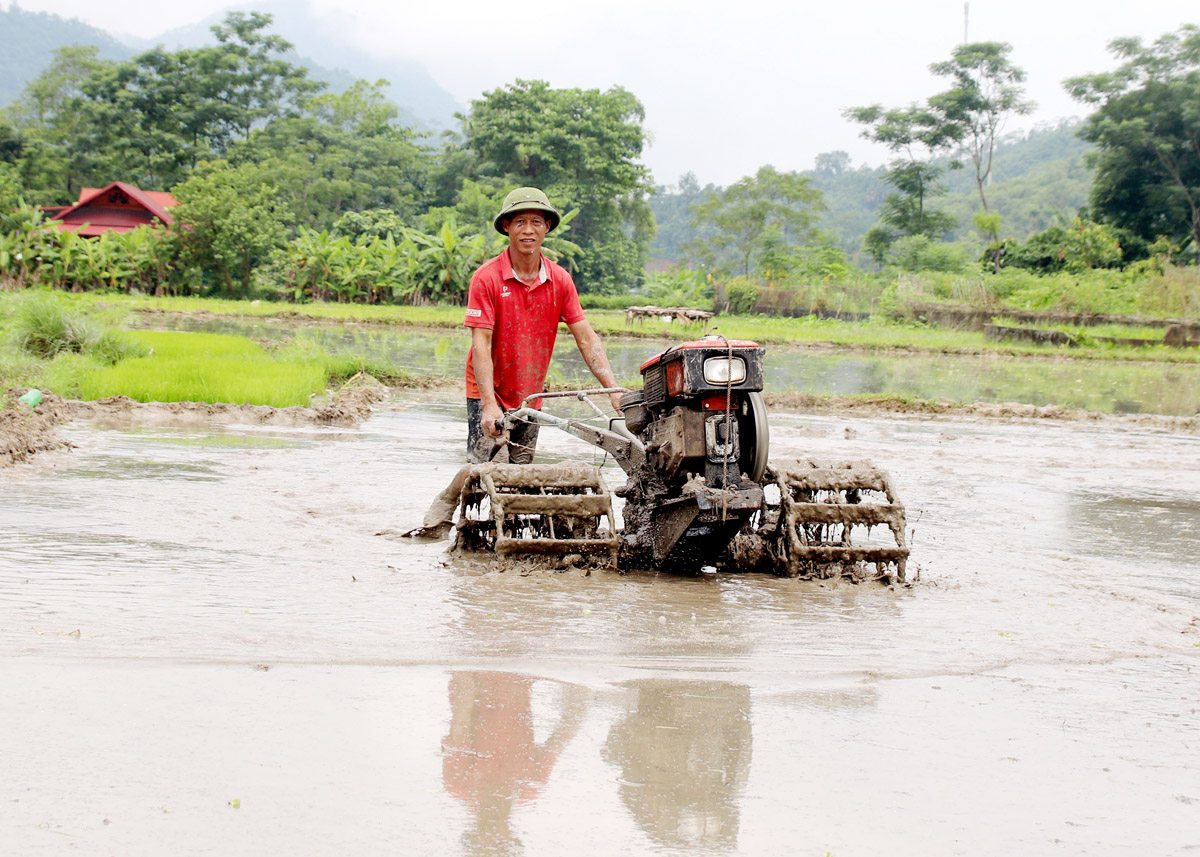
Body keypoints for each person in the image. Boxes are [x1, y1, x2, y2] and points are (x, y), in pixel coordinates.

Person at [463, 186, 623, 464]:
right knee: (487, 475)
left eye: (536, 222)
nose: (528, 230)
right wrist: (488, 405)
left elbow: (586, 338)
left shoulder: (560, 279)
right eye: (520, 222)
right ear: (506, 226)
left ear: (546, 226)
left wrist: (613, 390)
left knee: (522, 475)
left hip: (530, 396)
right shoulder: (486, 277)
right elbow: (481, 344)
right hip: (488, 391)